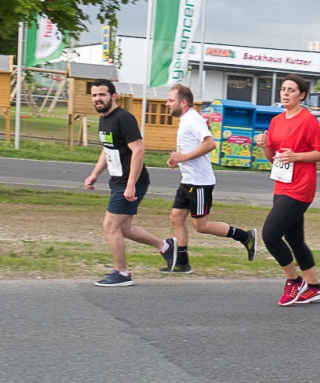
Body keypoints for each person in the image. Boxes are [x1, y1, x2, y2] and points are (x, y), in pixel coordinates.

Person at [83, 79, 177, 286]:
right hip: (118, 180)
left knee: (110, 225)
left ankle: (122, 273)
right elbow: (108, 149)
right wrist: (95, 174)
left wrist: (131, 184)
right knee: (124, 228)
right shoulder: (104, 119)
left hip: (131, 181)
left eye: (102, 94)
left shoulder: (123, 118)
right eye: (94, 95)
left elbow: (139, 150)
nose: (98, 99)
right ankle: (166, 246)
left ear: (113, 96)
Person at [254, 74, 320, 306]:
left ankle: (294, 281)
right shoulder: (277, 121)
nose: (286, 93)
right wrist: (265, 145)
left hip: (301, 187)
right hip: (281, 184)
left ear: (302, 95)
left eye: (291, 90)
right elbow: (273, 159)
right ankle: (315, 286)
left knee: (270, 234)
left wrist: (297, 156)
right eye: (283, 89)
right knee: (294, 239)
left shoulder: (308, 121)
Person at [163, 84, 256, 273]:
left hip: (199, 183)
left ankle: (245, 237)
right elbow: (192, 148)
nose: (167, 104)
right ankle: (182, 262)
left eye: (171, 100)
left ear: (183, 102)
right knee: (176, 217)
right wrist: (178, 159)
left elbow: (210, 144)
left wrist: (184, 157)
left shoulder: (192, 119)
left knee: (201, 226)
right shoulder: (185, 120)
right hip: (188, 180)